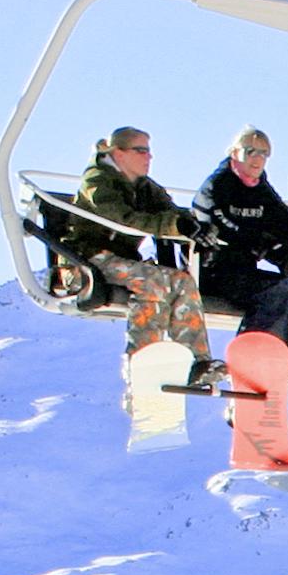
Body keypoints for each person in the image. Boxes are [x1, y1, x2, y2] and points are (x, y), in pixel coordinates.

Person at [188, 128, 288, 407]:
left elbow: (284, 218)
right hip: (215, 270)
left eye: (263, 154)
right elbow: (216, 220)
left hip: (246, 272)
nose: (257, 159)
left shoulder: (260, 189)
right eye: (250, 152)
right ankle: (250, 361)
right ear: (235, 154)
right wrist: (259, 240)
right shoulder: (219, 184)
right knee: (276, 291)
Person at [68, 126, 215, 383]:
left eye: (149, 151)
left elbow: (170, 211)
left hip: (123, 261)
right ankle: (142, 360)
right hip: (89, 260)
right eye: (141, 150)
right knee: (152, 281)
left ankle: (196, 362)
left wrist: (194, 225)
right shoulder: (98, 181)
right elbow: (122, 218)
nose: (149, 157)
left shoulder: (144, 187)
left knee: (182, 281)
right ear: (119, 153)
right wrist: (173, 226)